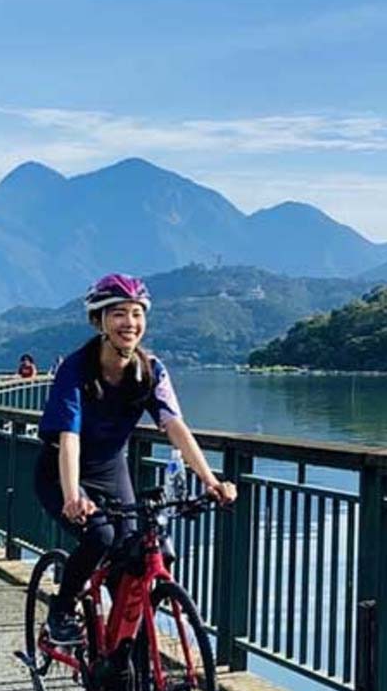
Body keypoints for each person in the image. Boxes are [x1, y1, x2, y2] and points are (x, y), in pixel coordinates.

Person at [34, 273, 236, 643]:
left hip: (111, 468)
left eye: (137, 313)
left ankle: (126, 659)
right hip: (61, 468)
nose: (130, 323)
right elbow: (69, 437)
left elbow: (175, 425)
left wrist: (210, 481)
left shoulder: (151, 370)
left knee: (133, 554)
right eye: (118, 314)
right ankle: (61, 612)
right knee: (100, 537)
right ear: (99, 321)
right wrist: (72, 496)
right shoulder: (76, 368)